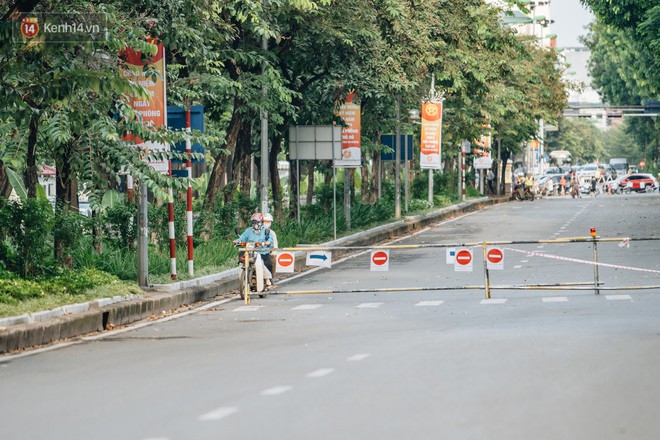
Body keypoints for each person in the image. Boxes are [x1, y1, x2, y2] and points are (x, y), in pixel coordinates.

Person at [234, 212, 274, 286]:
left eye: (257, 222)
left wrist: (267, 242)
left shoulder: (266, 230)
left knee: (267, 263)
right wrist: (237, 241)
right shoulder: (249, 230)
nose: (256, 224)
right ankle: (244, 276)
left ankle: (268, 279)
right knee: (241, 256)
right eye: (254, 222)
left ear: (261, 222)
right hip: (250, 251)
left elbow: (270, 240)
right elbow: (242, 237)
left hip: (262, 252)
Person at [262, 212, 278, 287]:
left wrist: (274, 253)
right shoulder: (255, 231)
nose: (266, 223)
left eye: (268, 222)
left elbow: (275, 245)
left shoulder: (272, 233)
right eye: (264, 221)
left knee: (272, 260)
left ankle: (270, 278)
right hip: (256, 252)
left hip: (267, 252)